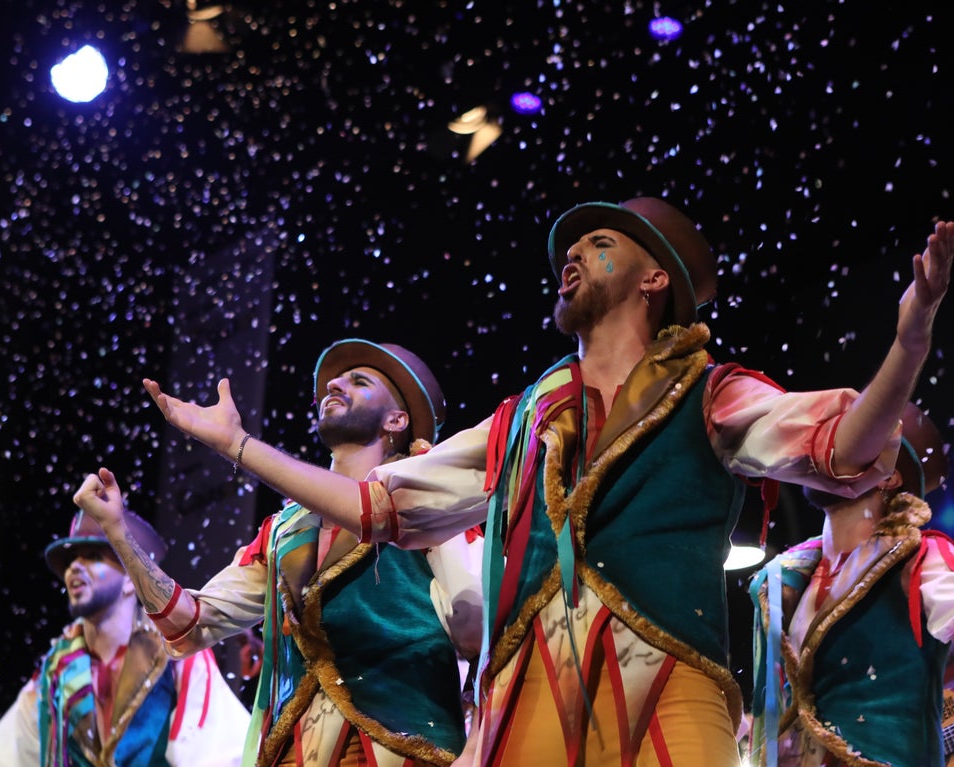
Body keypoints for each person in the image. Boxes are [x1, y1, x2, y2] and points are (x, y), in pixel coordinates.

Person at [138, 198, 952, 765]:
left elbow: (843, 442)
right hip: (529, 691)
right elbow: (377, 504)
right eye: (573, 246)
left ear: (652, 279)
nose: (573, 256)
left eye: (600, 246)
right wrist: (241, 445)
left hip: (666, 679)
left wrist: (909, 341)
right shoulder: (523, 418)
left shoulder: (709, 390)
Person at [73, 339, 484, 767]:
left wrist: (475, 747)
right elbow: (188, 624)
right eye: (332, 381)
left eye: (358, 381)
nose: (335, 384)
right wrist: (116, 531)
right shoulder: (283, 532)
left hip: (401, 751)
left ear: (397, 420)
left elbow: (482, 628)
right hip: (294, 753)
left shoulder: (428, 505)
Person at [748, 401, 952, 766]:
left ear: (890, 477)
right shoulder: (781, 581)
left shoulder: (925, 561)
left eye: (850, 447)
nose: (831, 456)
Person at [0, 509, 249, 767]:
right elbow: (6, 755)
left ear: (132, 578)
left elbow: (219, 751)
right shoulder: (53, 672)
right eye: (70, 560)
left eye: (92, 556)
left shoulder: (176, 655)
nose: (74, 568)